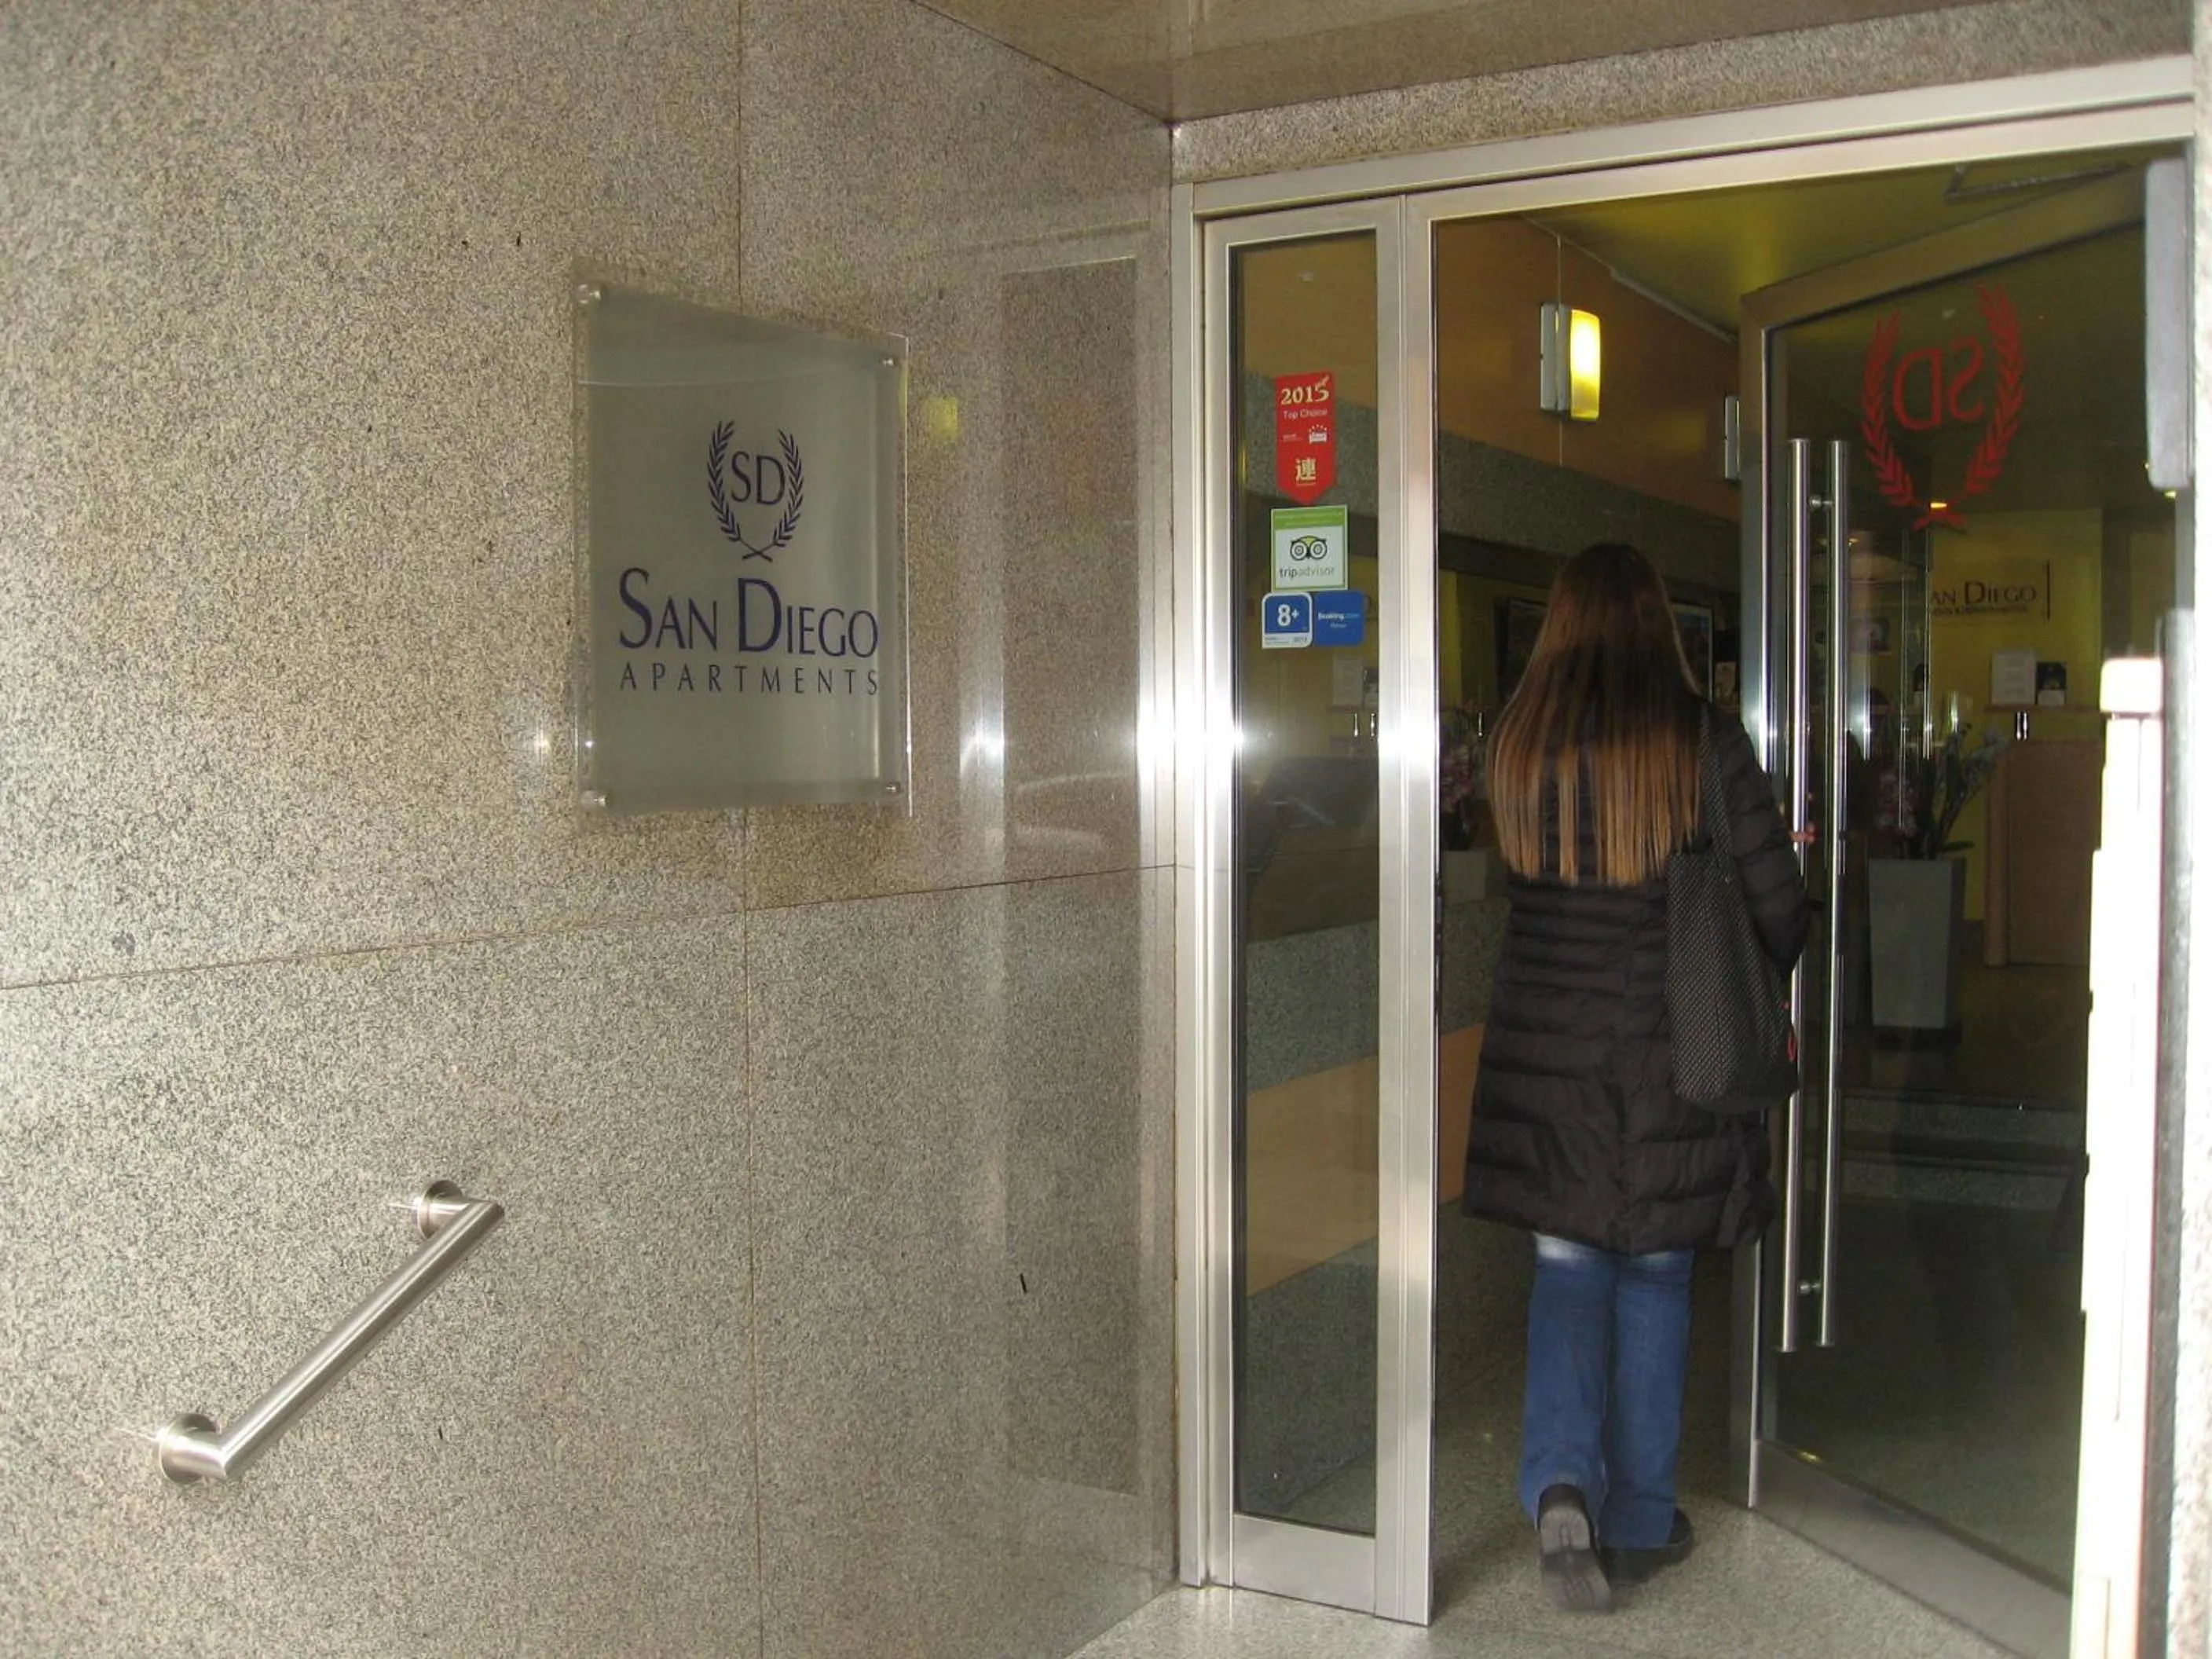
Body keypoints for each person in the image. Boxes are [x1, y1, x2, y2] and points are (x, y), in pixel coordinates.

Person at [1463, 543, 1810, 1613]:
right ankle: (1642, 1518)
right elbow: (1781, 914)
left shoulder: (1518, 748)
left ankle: (1562, 1478)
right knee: (1655, 1279)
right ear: (1658, 624)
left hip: (1551, 1063)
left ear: (1560, 626)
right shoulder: (1701, 744)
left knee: (1569, 1273)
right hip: (1673, 1059)